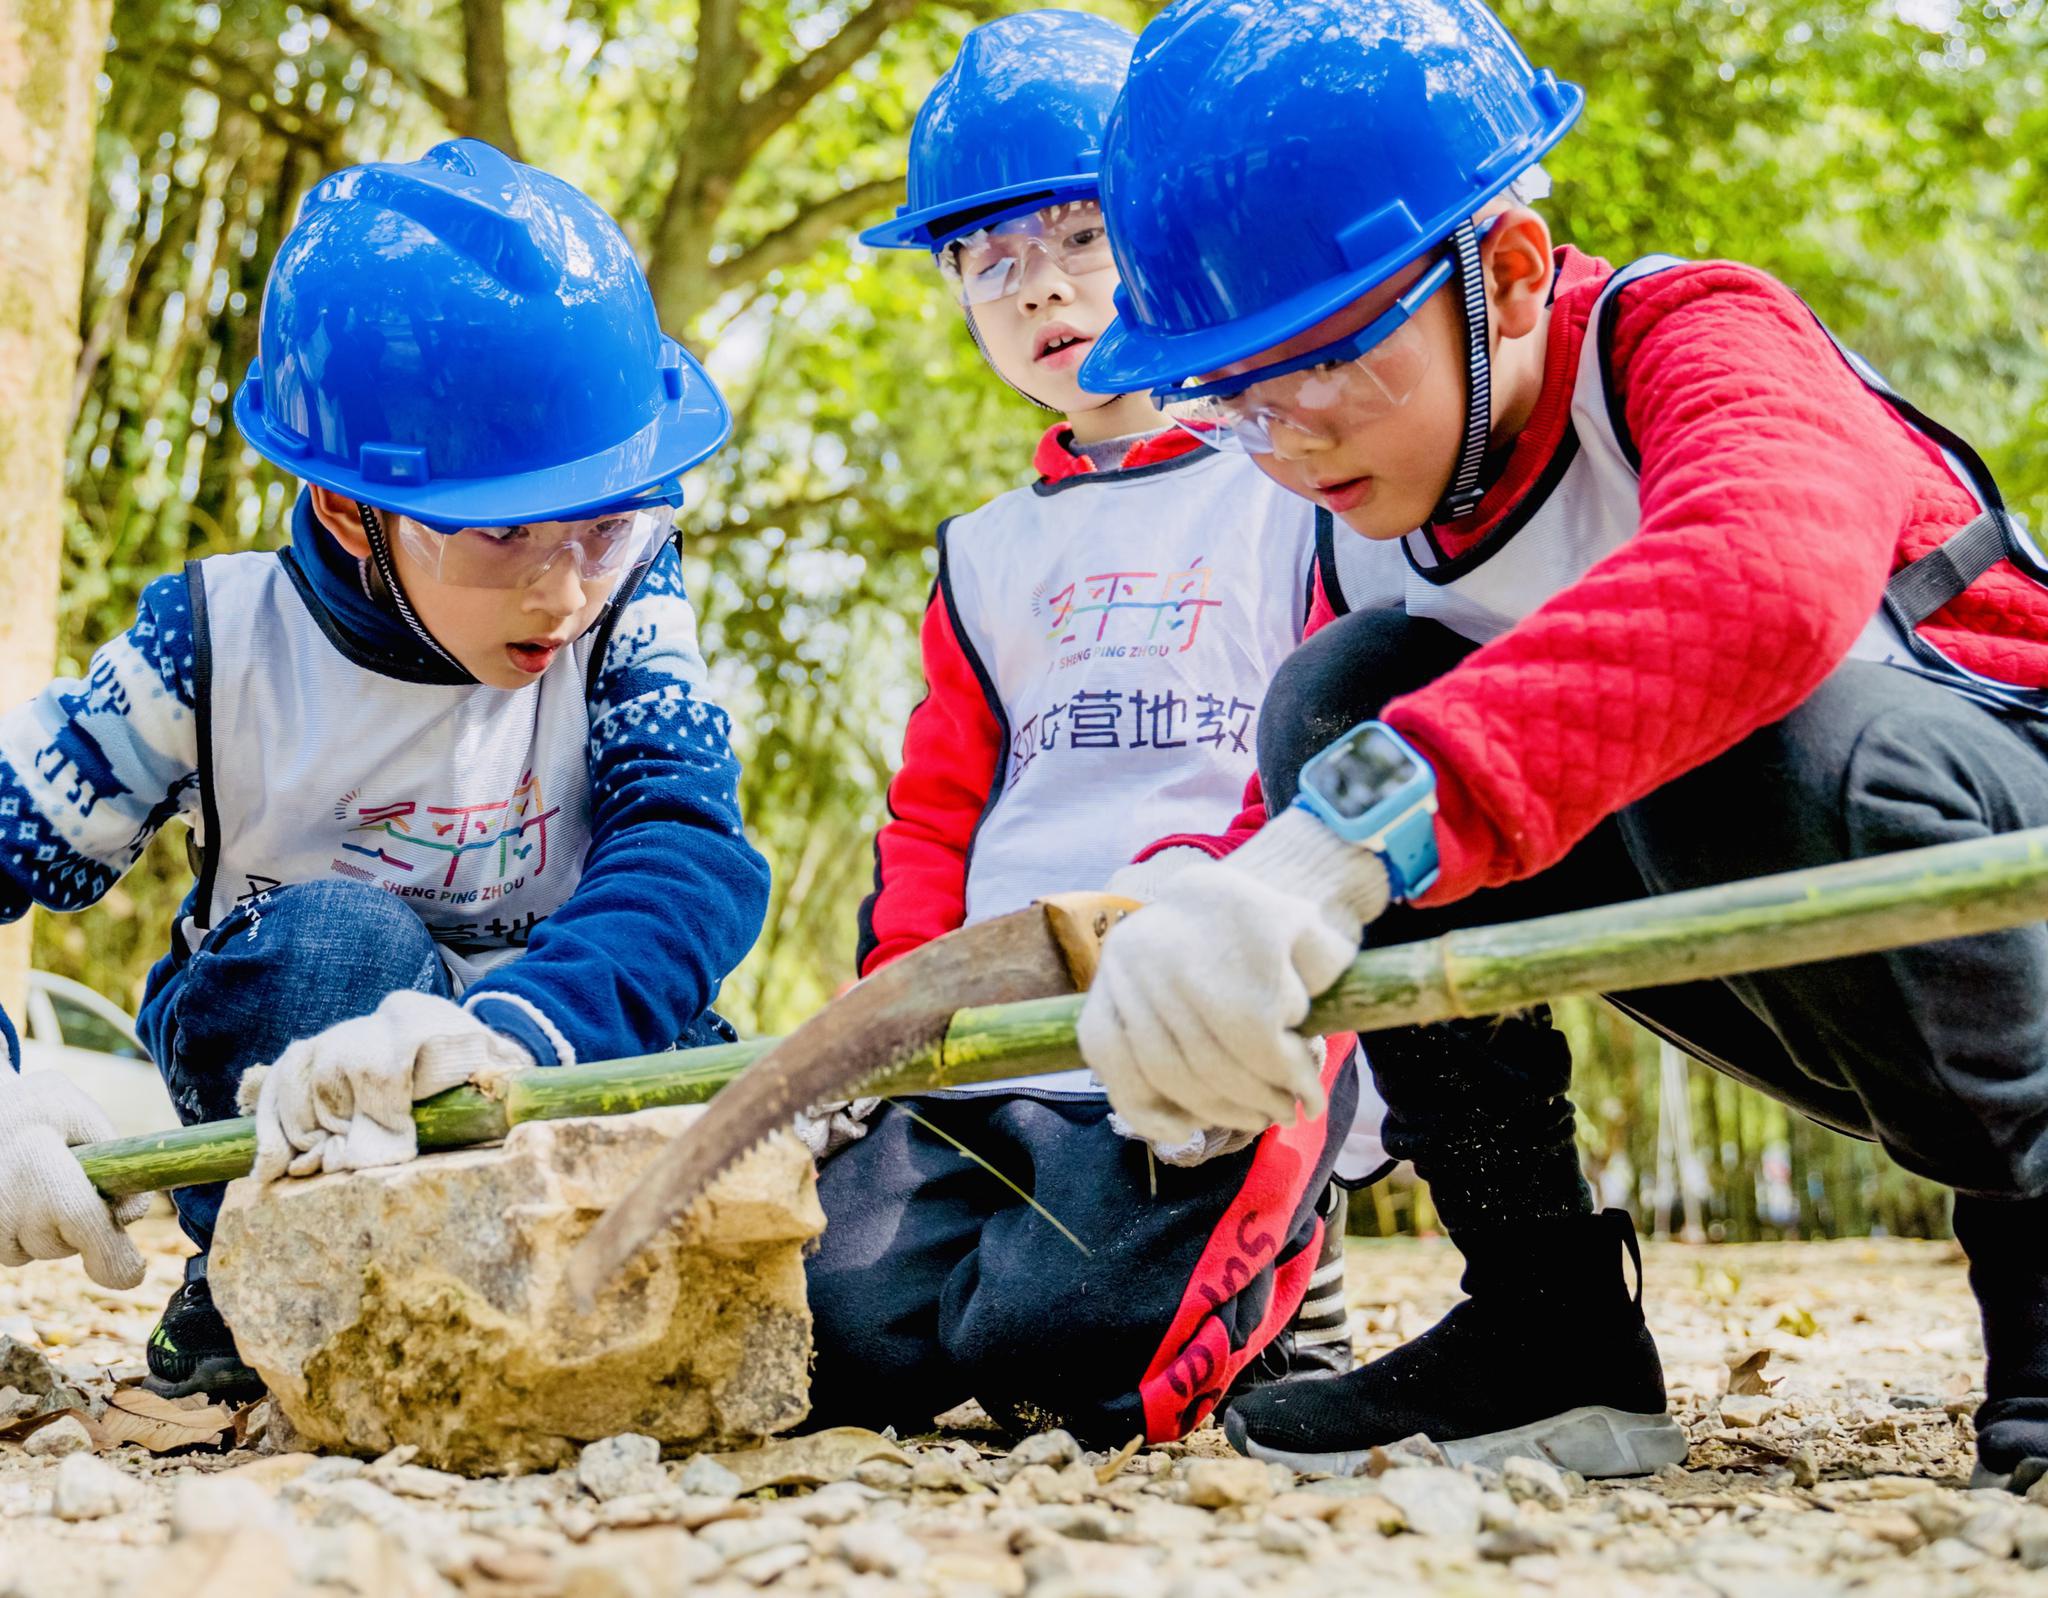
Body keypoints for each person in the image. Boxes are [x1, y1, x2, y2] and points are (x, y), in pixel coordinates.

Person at [1071, 0, 2048, 1488]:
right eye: (1234, 403)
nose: (1297, 442)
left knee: (1756, 725)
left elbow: (1761, 585)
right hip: (1784, 936)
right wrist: (1196, 932)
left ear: (1511, 273)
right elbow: (1328, 802)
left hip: (1988, 873)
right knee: (1339, 703)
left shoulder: (1693, 335)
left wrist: (1348, 837)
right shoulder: (1372, 532)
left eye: (1329, 366)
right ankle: (1549, 1320)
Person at [0, 139, 769, 1403]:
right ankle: (267, 1269)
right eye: (500, 534)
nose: (563, 588)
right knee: (329, 951)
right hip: (304, 1087)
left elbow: (689, 849)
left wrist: (509, 1038)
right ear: (352, 510)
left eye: (599, 519)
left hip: (548, 1061)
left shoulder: (631, 589)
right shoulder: (210, 642)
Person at [803, 10, 1400, 1446]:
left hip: (1203, 998)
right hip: (1005, 1022)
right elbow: (938, 807)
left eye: (1079, 235)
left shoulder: (1296, 475)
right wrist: (896, 1016)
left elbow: (1336, 743)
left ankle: (1286, 1261)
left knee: (1072, 1362)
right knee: (844, 1336)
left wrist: (1241, 919)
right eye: (990, 261)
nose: (1041, 290)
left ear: (1164, 219)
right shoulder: (986, 548)